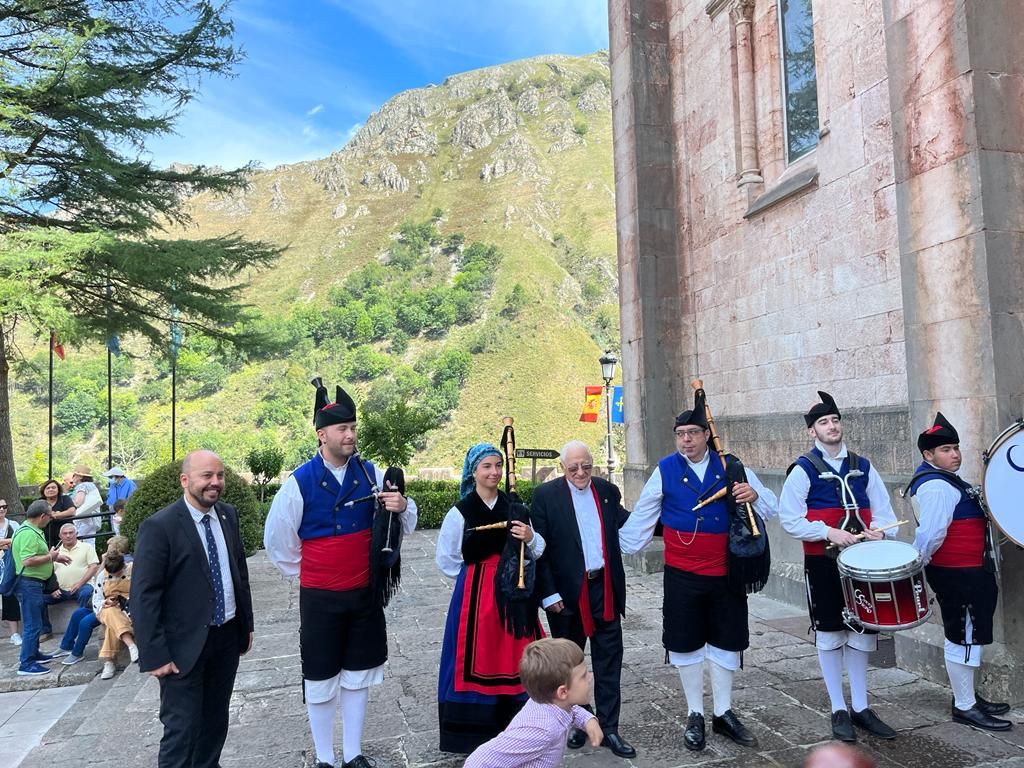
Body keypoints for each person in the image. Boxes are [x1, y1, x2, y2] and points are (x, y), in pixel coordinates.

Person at [264, 382, 417, 768]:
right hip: (320, 598)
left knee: (359, 673)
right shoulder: (298, 483)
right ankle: (323, 758)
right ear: (322, 434)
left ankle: (352, 753)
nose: (350, 434)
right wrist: (317, 571)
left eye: (352, 427)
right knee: (320, 677)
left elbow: (406, 521)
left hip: (364, 595)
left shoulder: (371, 473)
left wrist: (401, 505)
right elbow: (279, 542)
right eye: (341, 429)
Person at [618, 390, 778, 752]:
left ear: (707, 435)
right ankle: (694, 713)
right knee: (686, 643)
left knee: (725, 641)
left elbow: (773, 507)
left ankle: (723, 712)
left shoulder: (731, 465)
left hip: (726, 574)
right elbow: (643, 517)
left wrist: (753, 494)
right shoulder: (665, 470)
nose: (686, 439)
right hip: (682, 575)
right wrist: (614, 546)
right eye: (680, 434)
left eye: (692, 432)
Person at [779, 391, 899, 743]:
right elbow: (790, 517)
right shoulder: (803, 469)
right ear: (811, 432)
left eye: (834, 421)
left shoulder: (863, 465)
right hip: (823, 562)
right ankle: (838, 708)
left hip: (862, 563)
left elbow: (884, 510)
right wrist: (828, 531)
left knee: (862, 632)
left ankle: (861, 707)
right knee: (831, 632)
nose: (831, 427)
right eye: (823, 423)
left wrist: (878, 531)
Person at [130, 450, 255, 768]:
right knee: (182, 730)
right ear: (185, 480)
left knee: (215, 722)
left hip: (225, 638)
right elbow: (144, 595)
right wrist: (155, 654)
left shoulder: (228, 515)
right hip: (182, 647)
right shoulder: (160, 526)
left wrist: (246, 625)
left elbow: (238, 572)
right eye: (206, 476)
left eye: (220, 475)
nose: (215, 482)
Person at [436, 443, 546, 754]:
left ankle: (525, 726)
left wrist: (529, 538)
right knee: (476, 653)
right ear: (473, 471)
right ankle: (474, 735)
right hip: (475, 593)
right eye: (486, 466)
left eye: (498, 465)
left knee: (517, 654)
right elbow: (446, 559)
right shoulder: (460, 512)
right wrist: (475, 576)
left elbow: (537, 550)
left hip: (513, 592)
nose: (494, 472)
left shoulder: (515, 506)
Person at [530, 440, 636, 758]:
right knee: (568, 664)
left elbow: (628, 521)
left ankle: (610, 728)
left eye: (586, 466)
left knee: (608, 659)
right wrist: (548, 593)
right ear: (563, 468)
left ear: (593, 465)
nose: (580, 472)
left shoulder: (606, 490)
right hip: (565, 594)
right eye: (573, 467)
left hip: (603, 586)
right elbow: (541, 551)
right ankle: (579, 722)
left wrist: (668, 518)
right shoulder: (545, 496)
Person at [908, 412, 1011, 731]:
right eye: (946, 449)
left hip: (969, 572)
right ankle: (964, 706)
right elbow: (931, 534)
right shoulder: (936, 487)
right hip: (957, 573)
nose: (954, 454)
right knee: (963, 637)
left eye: (956, 448)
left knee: (971, 636)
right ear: (928, 455)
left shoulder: (946, 481)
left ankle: (968, 698)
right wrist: (918, 566)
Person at [464, 638, 602, 768]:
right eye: (584, 676)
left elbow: (572, 709)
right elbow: (478, 761)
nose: (590, 678)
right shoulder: (541, 730)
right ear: (563, 692)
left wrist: (588, 720)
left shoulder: (550, 702)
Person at [10, 500, 71, 676]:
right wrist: (50, 556)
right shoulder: (28, 533)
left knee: (34, 622)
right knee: (32, 624)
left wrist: (54, 558)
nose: (51, 518)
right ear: (42, 516)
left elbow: (35, 556)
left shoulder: (29, 530)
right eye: (50, 515)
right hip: (29, 584)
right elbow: (27, 560)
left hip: (33, 583)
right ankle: (26, 663)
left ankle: (34, 654)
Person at [60, 536, 134, 665]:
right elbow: (97, 580)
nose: (106, 552)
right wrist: (103, 561)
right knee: (78, 613)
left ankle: (78, 653)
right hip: (103, 602)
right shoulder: (108, 564)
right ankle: (66, 646)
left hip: (118, 606)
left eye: (109, 549)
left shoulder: (124, 565)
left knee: (85, 622)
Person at [41, 523, 100, 640]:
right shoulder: (55, 552)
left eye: (71, 533)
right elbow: (48, 571)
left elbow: (93, 567)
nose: (68, 536)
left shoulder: (87, 547)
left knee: (87, 593)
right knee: (39, 599)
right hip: (60, 589)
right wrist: (52, 588)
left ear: (76, 534)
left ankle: (83, 628)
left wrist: (80, 584)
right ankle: (45, 631)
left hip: (82, 586)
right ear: (60, 536)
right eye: (65, 533)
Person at [96, 551, 138, 680]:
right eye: (111, 575)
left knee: (111, 625)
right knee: (110, 612)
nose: (114, 577)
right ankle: (131, 644)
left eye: (117, 574)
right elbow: (96, 600)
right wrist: (105, 602)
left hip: (127, 606)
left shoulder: (133, 570)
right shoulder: (102, 576)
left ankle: (108, 662)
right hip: (107, 608)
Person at [1, 497, 23, 645]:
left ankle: (14, 634)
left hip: (8, 564)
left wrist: (6, 542)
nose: (1, 509)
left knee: (10, 596)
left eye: (4, 506)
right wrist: (9, 542)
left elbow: (19, 540)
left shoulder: (13, 524)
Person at [39, 478, 77, 548]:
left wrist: (56, 515)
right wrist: (50, 515)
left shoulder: (65, 499)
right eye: (48, 488)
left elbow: (72, 511)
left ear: (58, 489)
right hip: (45, 537)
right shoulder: (39, 502)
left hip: (65, 536)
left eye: (53, 487)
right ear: (43, 491)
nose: (51, 490)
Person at [69, 465, 102, 539]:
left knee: (82, 541)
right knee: (90, 542)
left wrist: (69, 501)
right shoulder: (92, 485)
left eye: (74, 475)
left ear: (80, 477)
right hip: (92, 518)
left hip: (84, 519)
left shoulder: (82, 486)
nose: (72, 478)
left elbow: (78, 502)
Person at [104, 467, 136, 533]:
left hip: (124, 514)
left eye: (111, 477)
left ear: (118, 477)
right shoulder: (113, 485)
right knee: (115, 533)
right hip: (113, 513)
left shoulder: (130, 484)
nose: (110, 479)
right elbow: (109, 498)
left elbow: (133, 500)